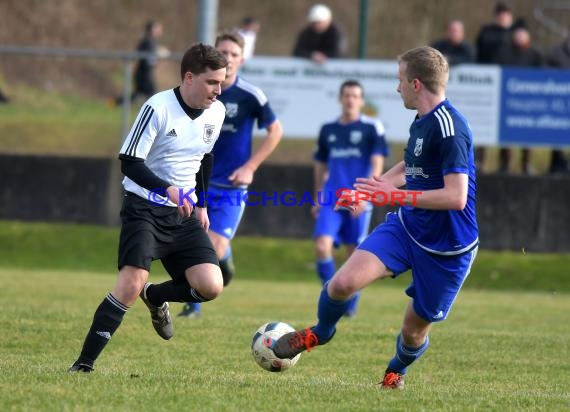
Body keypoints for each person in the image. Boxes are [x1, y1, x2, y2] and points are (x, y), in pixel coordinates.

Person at [272, 46, 479, 389]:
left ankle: (396, 371)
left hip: (448, 248)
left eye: (399, 80)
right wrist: (376, 188)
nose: (397, 88)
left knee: (413, 330)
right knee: (341, 284)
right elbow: (411, 164)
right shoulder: (422, 119)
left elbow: (455, 197)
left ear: (415, 84)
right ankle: (319, 333)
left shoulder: (450, 128)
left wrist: (392, 195)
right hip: (407, 228)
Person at [68, 43, 228, 372]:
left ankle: (155, 297)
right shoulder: (158, 107)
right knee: (129, 285)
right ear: (189, 78)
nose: (218, 89)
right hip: (144, 208)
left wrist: (203, 203)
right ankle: (84, 364)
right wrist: (169, 190)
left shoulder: (217, 112)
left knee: (211, 285)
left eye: (222, 82)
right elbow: (129, 161)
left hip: (183, 213)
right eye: (212, 82)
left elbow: (204, 157)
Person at [177, 32, 282, 318]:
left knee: (213, 244)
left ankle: (196, 301)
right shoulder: (201, 90)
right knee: (193, 243)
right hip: (197, 183)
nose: (230, 58)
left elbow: (275, 131)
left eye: (235, 54)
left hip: (231, 188)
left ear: (242, 58)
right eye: (224, 53)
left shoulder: (250, 96)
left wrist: (250, 166)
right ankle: (198, 297)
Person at [311, 79, 388, 318]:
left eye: (355, 96)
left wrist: (365, 196)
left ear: (362, 101)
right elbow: (321, 164)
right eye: (346, 95)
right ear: (339, 98)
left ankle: (349, 306)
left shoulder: (372, 128)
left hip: (358, 199)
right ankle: (333, 296)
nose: (350, 99)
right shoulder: (328, 129)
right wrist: (317, 196)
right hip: (332, 199)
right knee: (322, 246)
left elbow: (377, 162)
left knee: (354, 255)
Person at [494, 22, 544, 174]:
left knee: (527, 133)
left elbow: (543, 75)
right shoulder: (504, 52)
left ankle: (526, 164)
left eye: (523, 34)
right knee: (505, 133)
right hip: (507, 100)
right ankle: (505, 163)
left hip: (528, 102)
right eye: (518, 33)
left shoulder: (535, 54)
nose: (520, 37)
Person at [474, 2, 514, 170]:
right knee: (483, 124)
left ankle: (505, 163)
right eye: (500, 14)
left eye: (506, 14)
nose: (503, 17)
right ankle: (479, 161)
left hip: (509, 85)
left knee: (508, 125)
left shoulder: (516, 33)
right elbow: (479, 52)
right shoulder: (487, 32)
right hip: (487, 84)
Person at [115, 20, 169, 105]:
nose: (160, 30)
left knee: (137, 95)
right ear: (152, 30)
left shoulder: (150, 42)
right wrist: (158, 57)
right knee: (153, 96)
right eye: (158, 28)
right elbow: (147, 60)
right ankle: (115, 103)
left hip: (144, 74)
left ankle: (114, 103)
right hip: (144, 75)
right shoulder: (147, 42)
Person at [546, 36, 570, 174]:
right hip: (558, 102)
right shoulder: (557, 52)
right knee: (557, 134)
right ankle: (557, 165)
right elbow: (545, 71)